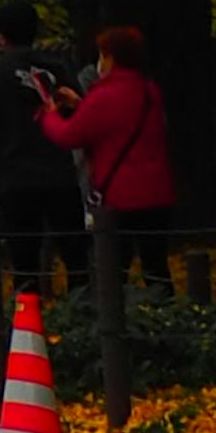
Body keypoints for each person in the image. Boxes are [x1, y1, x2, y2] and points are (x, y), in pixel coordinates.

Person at [41, 25, 174, 273]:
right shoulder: (148, 91)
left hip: (119, 195)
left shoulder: (103, 95)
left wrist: (50, 115)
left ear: (110, 57)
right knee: (156, 264)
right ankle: (163, 309)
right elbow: (120, 124)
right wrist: (82, 105)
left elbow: (70, 135)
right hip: (156, 191)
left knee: (114, 268)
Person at [0, 1, 72, 290]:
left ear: (1, 35)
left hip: (14, 178)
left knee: (23, 262)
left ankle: (28, 325)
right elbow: (79, 115)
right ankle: (83, 315)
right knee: (75, 258)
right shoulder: (57, 71)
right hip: (60, 172)